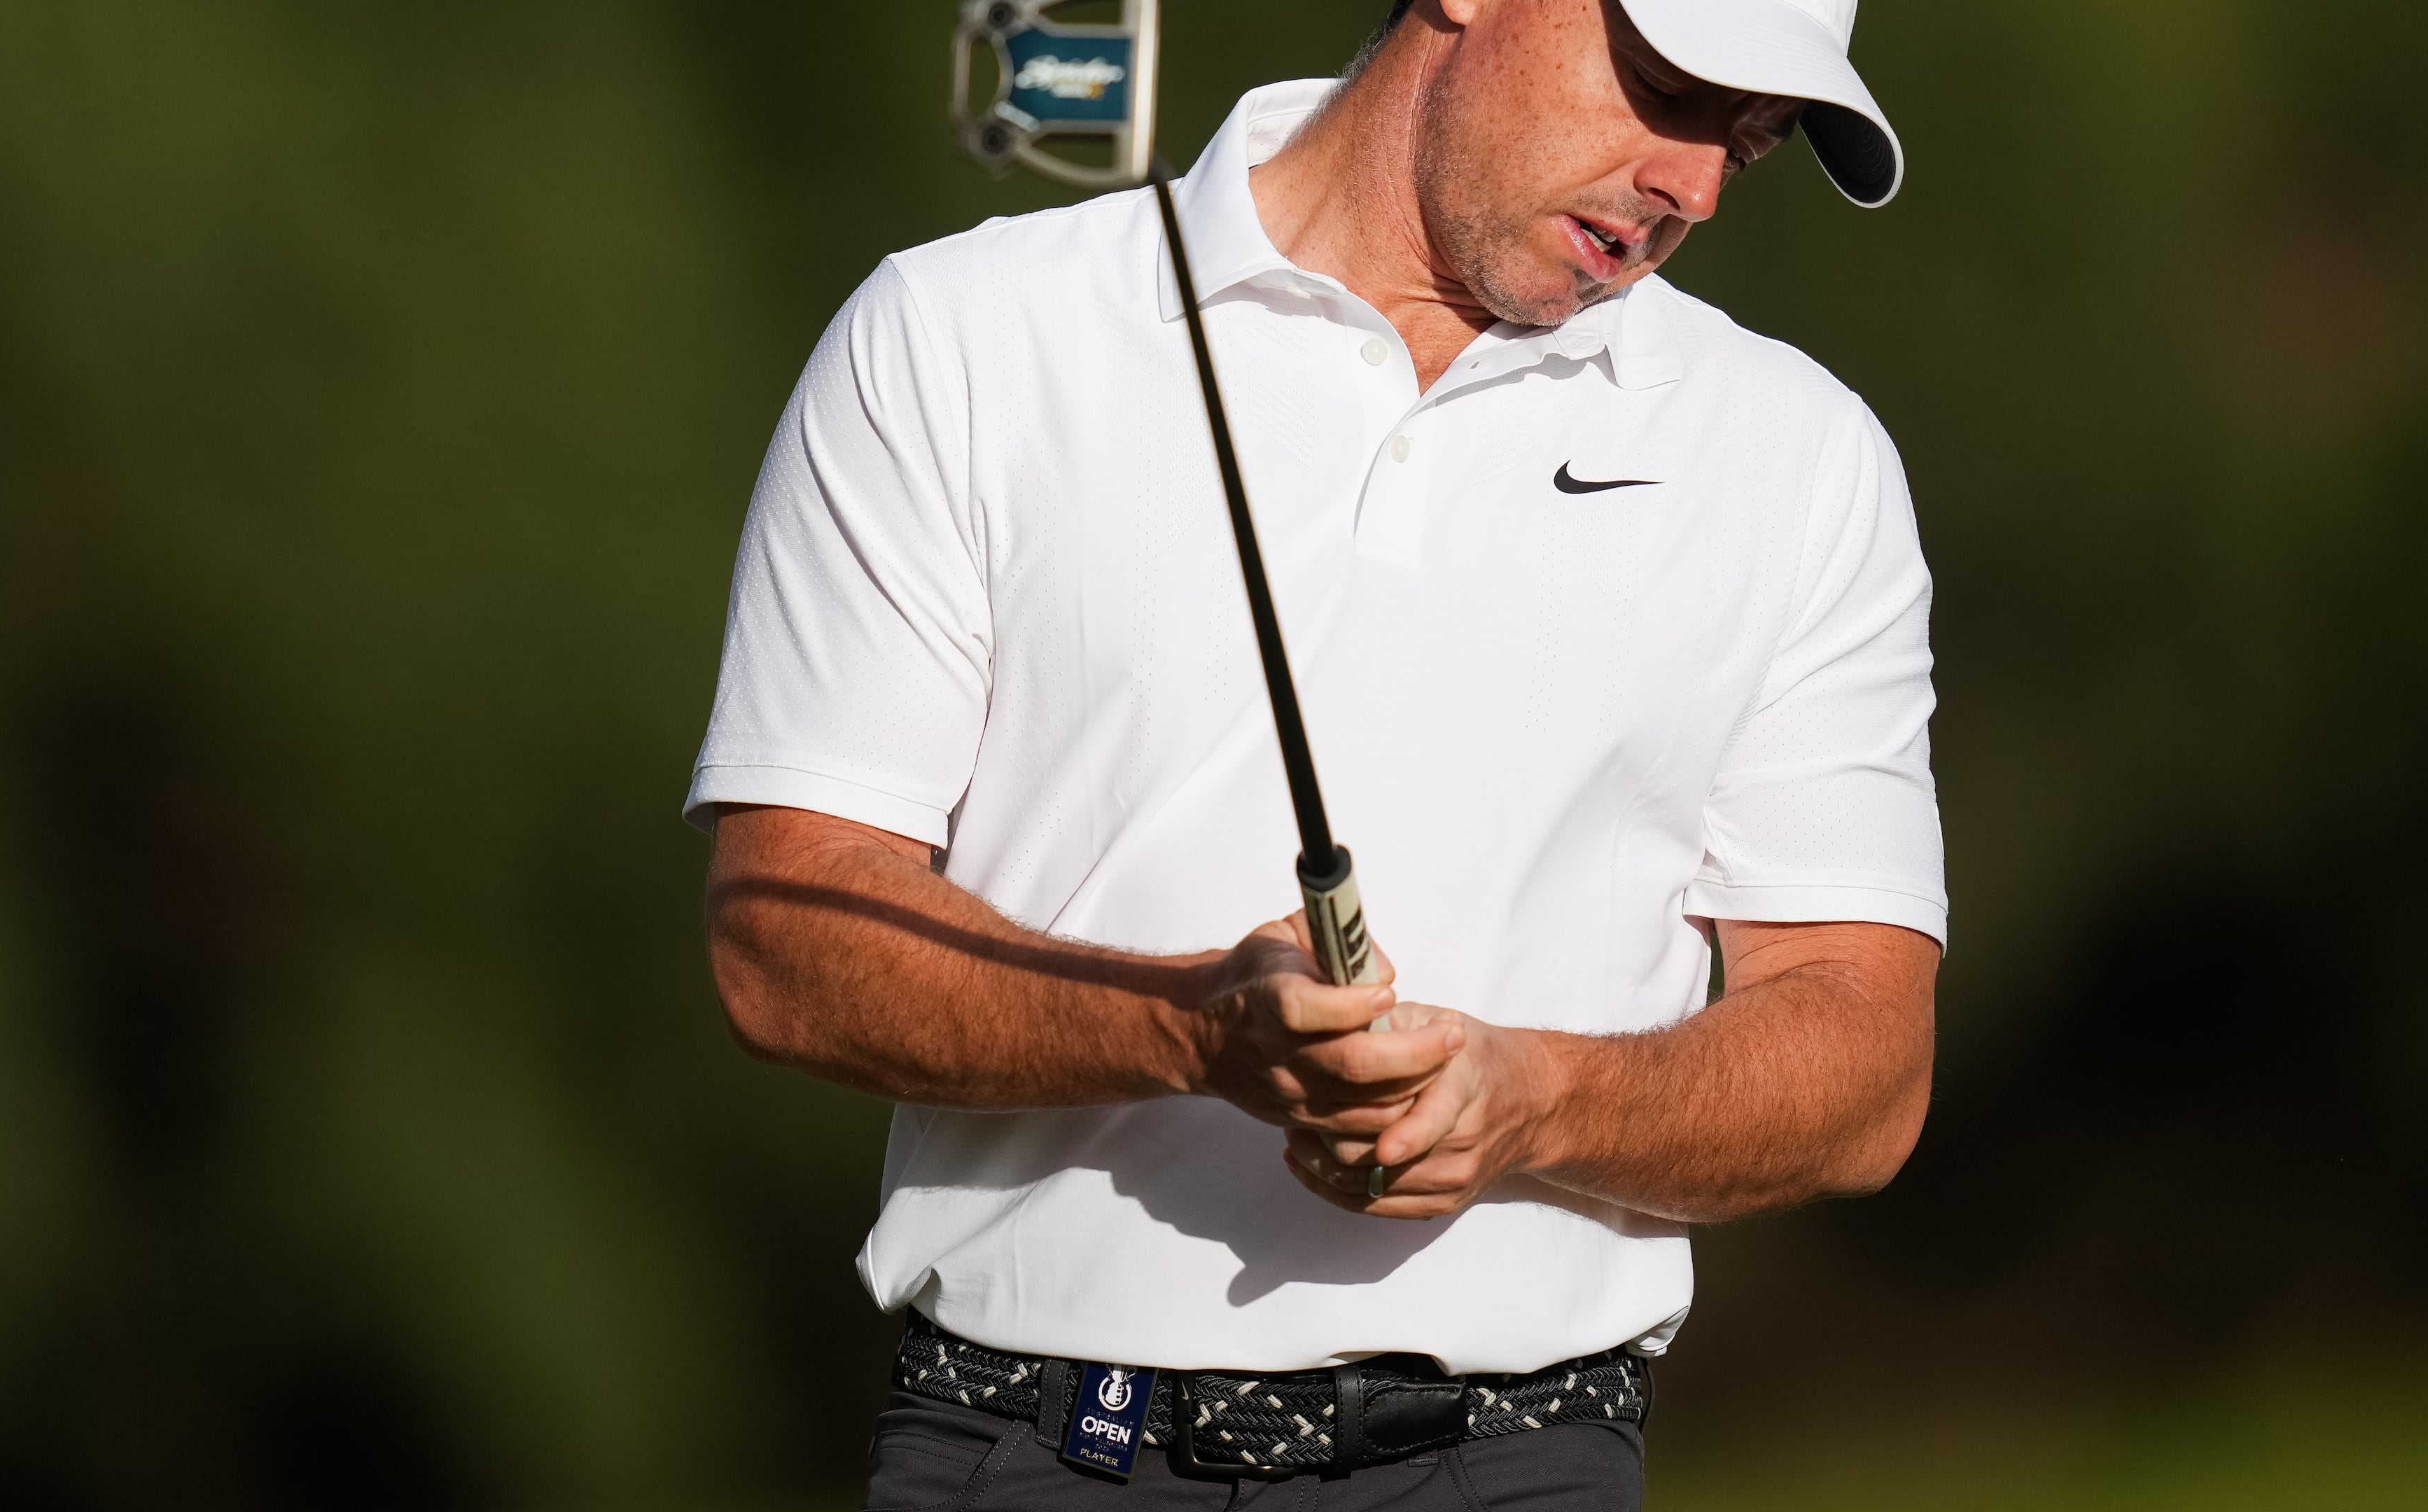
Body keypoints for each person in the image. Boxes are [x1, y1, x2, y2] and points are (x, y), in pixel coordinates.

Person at [688, 0, 1942, 1505]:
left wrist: (1541, 1099)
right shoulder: (961, 333)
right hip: (1031, 1446)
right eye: (1671, 89)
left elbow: (1868, 1062)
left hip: (1520, 1463)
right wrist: (1189, 1029)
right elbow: (785, 936)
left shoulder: (1803, 457)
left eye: (1752, 139)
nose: (1697, 186)